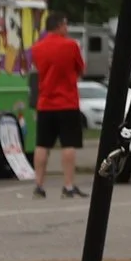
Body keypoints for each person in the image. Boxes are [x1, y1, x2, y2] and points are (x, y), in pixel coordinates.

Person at [29, 11, 87, 199]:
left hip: (45, 103)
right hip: (67, 102)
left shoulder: (37, 48)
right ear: (60, 25)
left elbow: (38, 70)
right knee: (68, 144)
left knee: (42, 145)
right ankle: (68, 185)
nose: (67, 28)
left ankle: (39, 185)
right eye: (65, 24)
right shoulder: (71, 46)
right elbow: (80, 69)